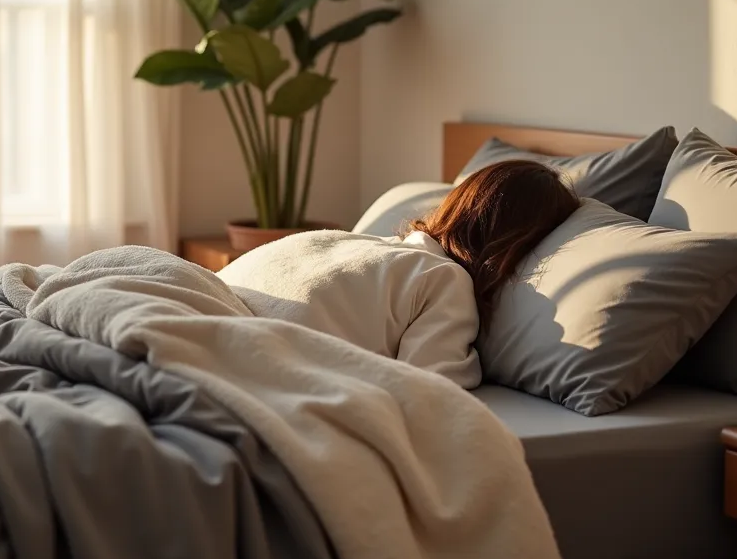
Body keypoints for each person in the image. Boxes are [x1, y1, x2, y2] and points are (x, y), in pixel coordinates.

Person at [215, 160, 580, 389]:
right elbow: (430, 388)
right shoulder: (442, 279)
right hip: (238, 365)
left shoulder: (346, 242)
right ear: (516, 246)